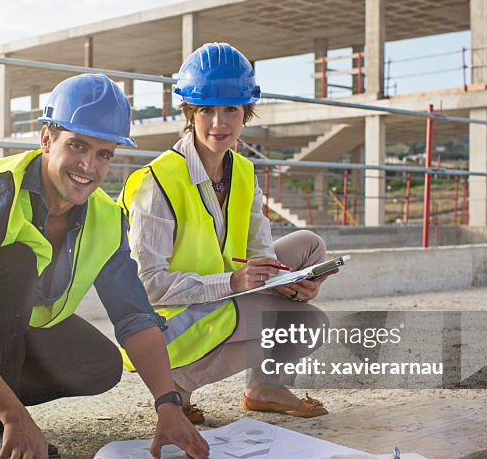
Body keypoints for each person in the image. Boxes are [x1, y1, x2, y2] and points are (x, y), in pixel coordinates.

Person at [0, 73, 212, 459]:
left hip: (9, 326)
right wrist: (14, 417)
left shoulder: (105, 219)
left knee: (101, 365)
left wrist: (169, 405)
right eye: (77, 145)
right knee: (17, 261)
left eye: (103, 154)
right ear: (46, 139)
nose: (89, 166)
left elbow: (136, 318)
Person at [120, 42, 334, 425]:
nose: (219, 123)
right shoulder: (158, 182)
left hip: (224, 296)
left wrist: (294, 283)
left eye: (230, 110)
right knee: (304, 323)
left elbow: (261, 250)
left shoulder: (244, 174)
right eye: (206, 110)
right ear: (189, 113)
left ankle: (265, 389)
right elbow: (147, 285)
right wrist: (232, 282)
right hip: (167, 324)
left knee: (309, 248)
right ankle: (175, 388)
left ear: (246, 113)